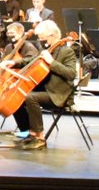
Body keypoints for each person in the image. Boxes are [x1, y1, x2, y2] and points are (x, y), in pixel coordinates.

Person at [9, 20, 77, 151]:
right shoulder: (46, 50)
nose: (40, 40)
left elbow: (71, 74)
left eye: (42, 37)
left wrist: (51, 62)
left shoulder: (67, 51)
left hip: (58, 93)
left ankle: (39, 137)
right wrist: (14, 63)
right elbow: (31, 60)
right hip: (46, 88)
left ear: (52, 36)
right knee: (18, 94)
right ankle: (28, 132)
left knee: (30, 97)